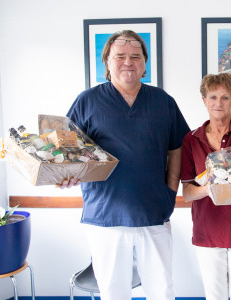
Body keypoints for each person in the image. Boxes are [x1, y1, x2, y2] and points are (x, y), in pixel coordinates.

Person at [64, 30, 190, 300]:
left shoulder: (163, 102)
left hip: (154, 213)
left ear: (145, 63)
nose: (128, 62)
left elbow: (176, 148)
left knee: (162, 291)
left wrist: (170, 192)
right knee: (113, 292)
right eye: (119, 56)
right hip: (105, 217)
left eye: (135, 56)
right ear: (107, 63)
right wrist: (65, 174)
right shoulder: (87, 101)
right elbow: (67, 151)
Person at [180, 73, 231, 300]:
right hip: (208, 229)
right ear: (204, 100)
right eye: (213, 97)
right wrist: (210, 188)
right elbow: (187, 192)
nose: (218, 103)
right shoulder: (191, 139)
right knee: (214, 295)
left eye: (225, 97)